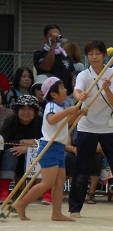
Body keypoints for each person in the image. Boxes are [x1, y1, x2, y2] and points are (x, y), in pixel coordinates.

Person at [69, 40, 113, 219]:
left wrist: (107, 88)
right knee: (82, 167)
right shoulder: (84, 75)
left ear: (103, 55)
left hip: (109, 127)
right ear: (87, 56)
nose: (94, 57)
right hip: (87, 126)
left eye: (97, 53)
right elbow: (76, 92)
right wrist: (81, 95)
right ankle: (75, 208)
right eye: (91, 54)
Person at [15, 77, 87, 221]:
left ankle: (56, 213)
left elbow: (66, 124)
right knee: (47, 183)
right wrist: (69, 111)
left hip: (58, 148)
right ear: (54, 94)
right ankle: (21, 203)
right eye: (62, 88)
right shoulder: (52, 106)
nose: (66, 90)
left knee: (60, 182)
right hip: (49, 147)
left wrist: (78, 114)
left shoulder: (59, 107)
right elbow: (52, 120)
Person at [0, 95, 42, 203]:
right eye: (22, 109)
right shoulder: (10, 121)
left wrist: (27, 148)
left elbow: (46, 141)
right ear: (17, 110)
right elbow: (4, 142)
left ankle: (44, 192)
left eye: (29, 109)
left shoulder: (40, 122)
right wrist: (23, 142)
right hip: (14, 157)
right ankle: (4, 191)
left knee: (43, 153)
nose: (26, 112)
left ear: (35, 111)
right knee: (10, 153)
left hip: (34, 156)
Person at [33, 24, 75, 94]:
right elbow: (46, 67)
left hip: (65, 96)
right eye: (52, 36)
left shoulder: (64, 55)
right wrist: (53, 45)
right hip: (48, 95)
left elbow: (72, 74)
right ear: (45, 39)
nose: (55, 38)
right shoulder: (39, 54)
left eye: (57, 36)